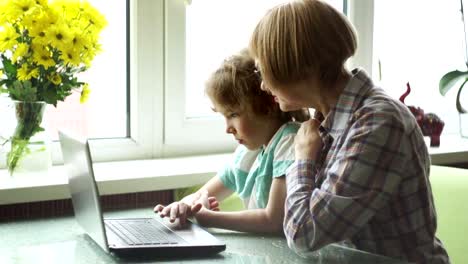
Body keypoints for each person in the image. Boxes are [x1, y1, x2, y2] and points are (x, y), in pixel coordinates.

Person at [248, 0, 450, 263]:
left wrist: (303, 159)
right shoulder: (328, 119)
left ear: (300, 65)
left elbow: (304, 234)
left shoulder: (378, 123)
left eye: (264, 69)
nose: (263, 84)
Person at [153, 49, 309, 233]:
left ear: (269, 105)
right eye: (224, 116)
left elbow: (274, 220)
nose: (228, 128)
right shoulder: (249, 152)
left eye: (233, 114)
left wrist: (211, 218)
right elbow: (203, 194)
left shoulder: (290, 141)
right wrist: (183, 206)